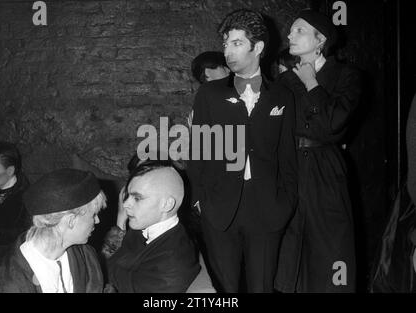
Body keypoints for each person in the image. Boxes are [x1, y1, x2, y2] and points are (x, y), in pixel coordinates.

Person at [187, 9, 297, 292]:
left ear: (257, 47)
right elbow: (199, 152)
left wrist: (286, 203)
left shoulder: (282, 96)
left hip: (268, 209)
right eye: (225, 43)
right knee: (224, 290)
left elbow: (288, 156)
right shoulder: (209, 94)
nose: (227, 51)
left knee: (262, 287)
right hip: (220, 210)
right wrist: (200, 201)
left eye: (236, 43)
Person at [275, 9, 361, 293]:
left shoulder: (347, 76)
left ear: (320, 39)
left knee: (329, 246)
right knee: (289, 248)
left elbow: (331, 126)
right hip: (291, 167)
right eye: (291, 30)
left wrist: (311, 84)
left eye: (299, 30)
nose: (290, 35)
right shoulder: (284, 81)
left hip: (325, 169)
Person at [0, 168, 105, 293]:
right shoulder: (15, 278)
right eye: (93, 215)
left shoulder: (86, 255)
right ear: (71, 221)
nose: (97, 220)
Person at [102, 160, 200, 293]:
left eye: (137, 198)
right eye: (127, 196)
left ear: (167, 204)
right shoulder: (144, 228)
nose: (125, 204)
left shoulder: (173, 262)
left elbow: (107, 272)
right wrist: (120, 222)